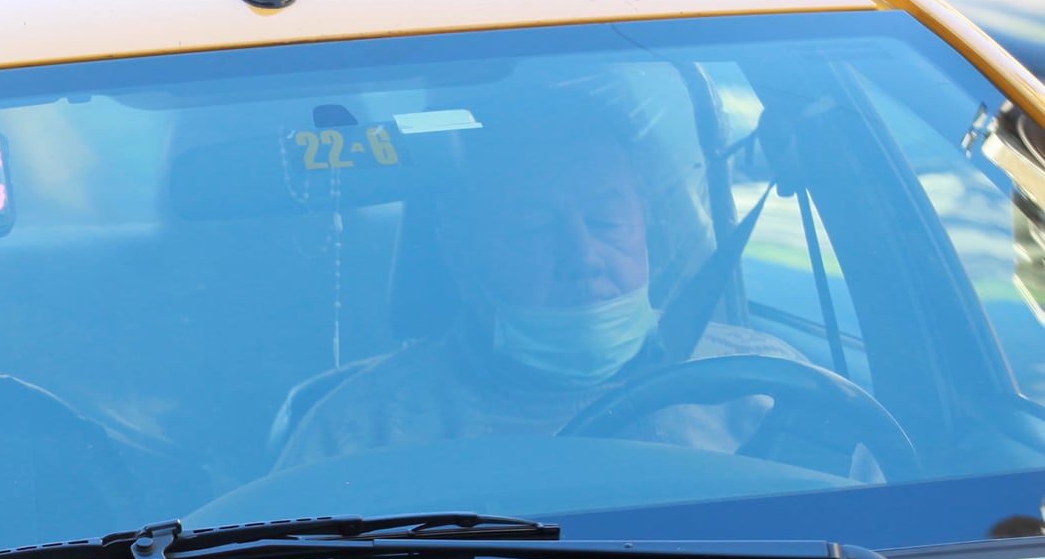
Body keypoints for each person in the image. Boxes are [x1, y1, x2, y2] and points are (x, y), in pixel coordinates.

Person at [273, 97, 813, 472]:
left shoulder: (766, 390)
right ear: (460, 251)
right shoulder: (363, 436)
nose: (583, 258)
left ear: (646, 223)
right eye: (533, 228)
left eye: (606, 222)